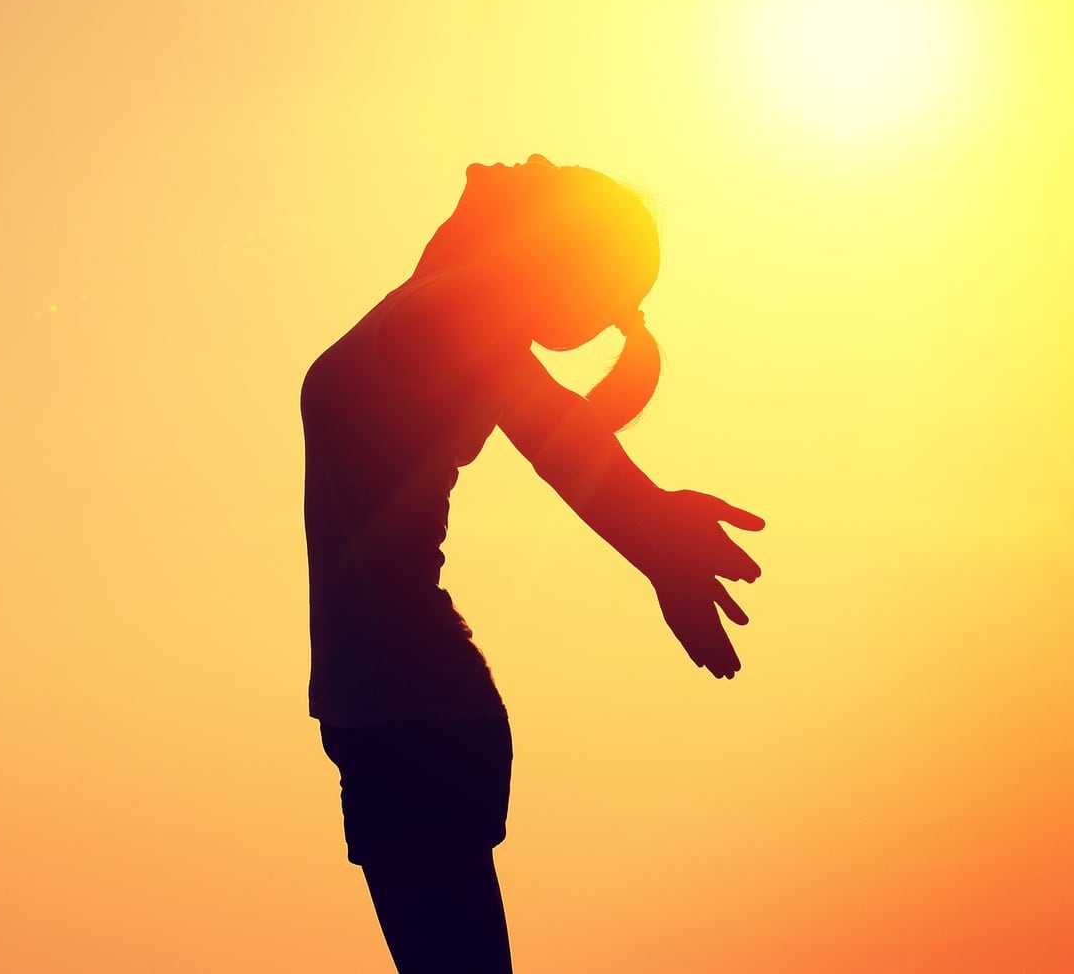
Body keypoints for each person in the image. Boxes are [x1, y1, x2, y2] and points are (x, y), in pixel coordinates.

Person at [302, 156, 764, 973]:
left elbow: (560, 439)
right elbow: (557, 429)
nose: (619, 314)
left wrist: (653, 531)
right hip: (391, 711)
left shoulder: (470, 311)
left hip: (409, 712)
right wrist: (652, 538)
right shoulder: (451, 301)